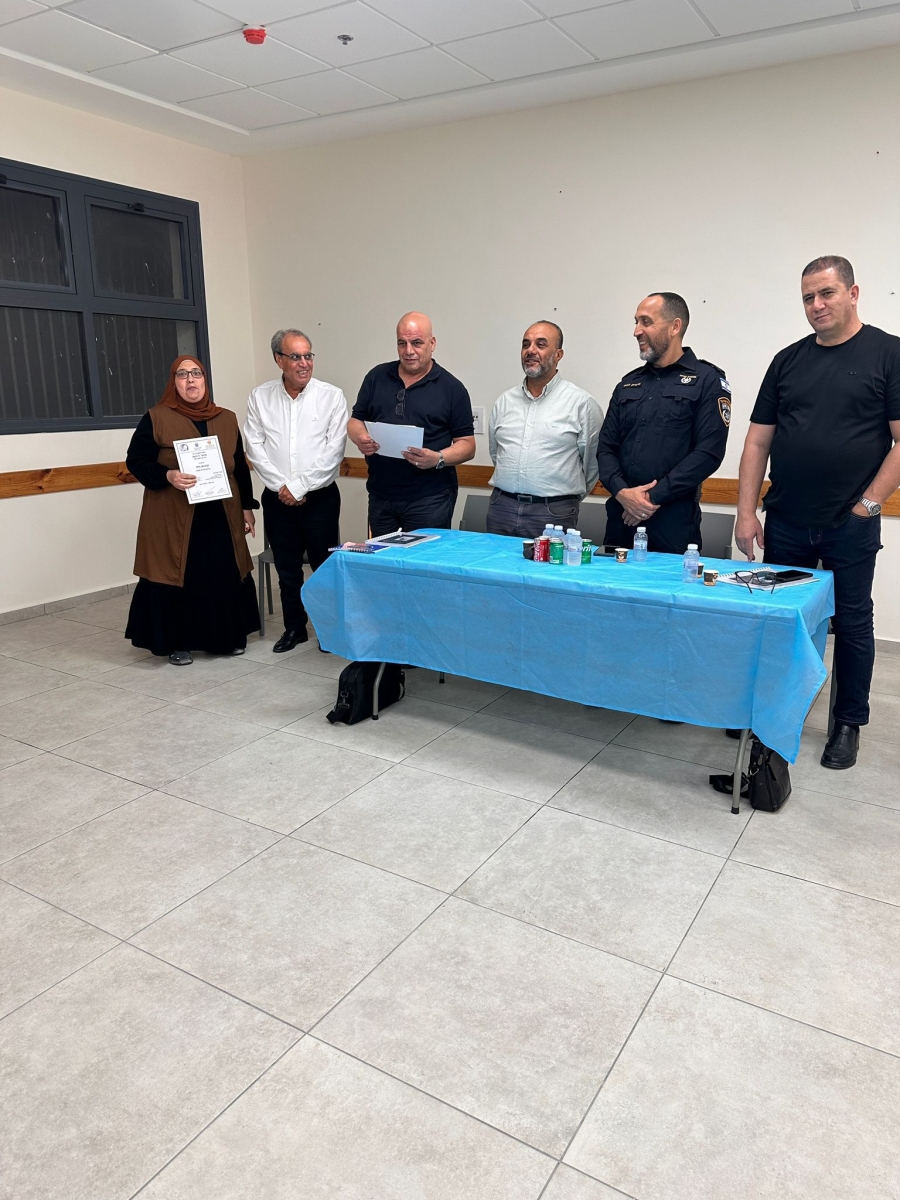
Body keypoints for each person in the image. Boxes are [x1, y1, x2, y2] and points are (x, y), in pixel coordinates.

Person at [736, 255, 900, 770]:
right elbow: (757, 441)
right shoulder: (787, 361)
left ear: (853, 293)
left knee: (851, 623)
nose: (816, 305)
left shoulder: (888, 353)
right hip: (786, 519)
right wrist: (745, 512)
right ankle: (771, 714)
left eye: (826, 293)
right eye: (808, 297)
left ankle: (847, 723)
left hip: (849, 523)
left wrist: (868, 505)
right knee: (781, 620)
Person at [125, 355, 260, 665]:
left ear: (204, 380)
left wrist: (246, 507)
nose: (190, 380)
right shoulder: (156, 418)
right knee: (178, 574)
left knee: (221, 572)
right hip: (173, 514)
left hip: (220, 514)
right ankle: (178, 643)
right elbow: (136, 461)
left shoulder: (226, 418)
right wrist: (168, 475)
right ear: (174, 383)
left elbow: (239, 467)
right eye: (182, 374)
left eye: (196, 373)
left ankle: (224, 638)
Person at [597, 293, 730, 553]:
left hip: (673, 522)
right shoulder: (628, 383)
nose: (637, 331)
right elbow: (605, 448)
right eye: (636, 322)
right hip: (621, 517)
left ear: (675, 326)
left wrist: (648, 499)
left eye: (646, 322)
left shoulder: (707, 380)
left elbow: (708, 453)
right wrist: (623, 494)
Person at [243, 329, 348, 653]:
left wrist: (299, 486)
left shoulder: (331, 396)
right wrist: (283, 487)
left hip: (320, 499)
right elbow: (254, 447)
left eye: (308, 356)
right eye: (295, 357)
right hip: (278, 500)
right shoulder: (260, 397)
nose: (304, 363)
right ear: (279, 360)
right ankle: (294, 628)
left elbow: (333, 453)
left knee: (324, 568)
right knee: (287, 570)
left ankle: (330, 632)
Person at [347, 312, 475, 535]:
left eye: (416, 343)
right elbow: (355, 420)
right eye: (402, 343)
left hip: (430, 498)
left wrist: (438, 458)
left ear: (432, 344)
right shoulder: (376, 377)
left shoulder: (452, 388)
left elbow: (468, 445)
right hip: (381, 495)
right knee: (382, 555)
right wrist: (360, 437)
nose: (408, 351)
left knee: (424, 557)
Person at [486, 321, 603, 537]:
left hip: (553, 513)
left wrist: (562, 499)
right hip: (502, 507)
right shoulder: (504, 402)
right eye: (526, 344)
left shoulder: (581, 404)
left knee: (549, 562)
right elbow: (497, 454)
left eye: (540, 344)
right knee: (496, 560)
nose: (530, 350)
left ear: (558, 354)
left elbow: (592, 465)